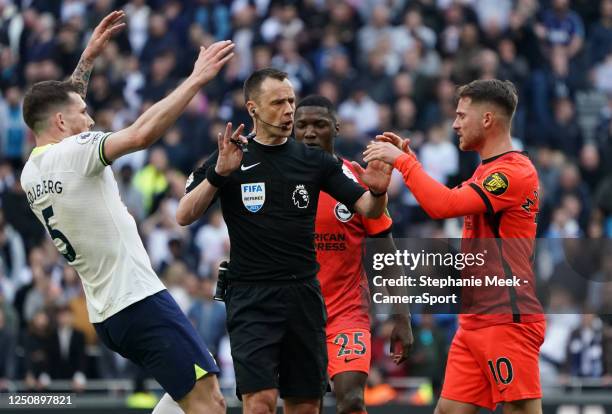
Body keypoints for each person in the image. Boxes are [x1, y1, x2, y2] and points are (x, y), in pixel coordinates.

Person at [20, 10, 235, 414]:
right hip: (137, 300)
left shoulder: (32, 171)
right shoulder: (75, 152)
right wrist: (195, 81)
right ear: (63, 121)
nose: (92, 119)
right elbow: (141, 134)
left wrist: (88, 57)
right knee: (209, 405)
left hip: (109, 312)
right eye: (84, 113)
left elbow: (60, 104)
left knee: (198, 397)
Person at [176, 68, 391, 414]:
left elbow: (367, 208)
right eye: (278, 102)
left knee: (305, 405)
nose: (289, 110)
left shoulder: (314, 161)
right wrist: (219, 174)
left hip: (303, 295)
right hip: (251, 297)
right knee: (259, 402)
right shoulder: (231, 156)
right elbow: (184, 215)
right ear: (253, 109)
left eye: (291, 101)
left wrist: (378, 190)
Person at [364, 79, 546, 414]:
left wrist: (405, 164)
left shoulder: (512, 172)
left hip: (506, 318)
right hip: (475, 319)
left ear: (487, 119)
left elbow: (443, 206)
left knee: (520, 410)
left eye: (462, 115)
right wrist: (410, 158)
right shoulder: (486, 170)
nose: (455, 123)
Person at [293, 95, 413, 414]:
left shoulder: (357, 181)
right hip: (294, 313)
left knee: (352, 401)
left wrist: (401, 317)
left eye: (319, 125)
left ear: (336, 128)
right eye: (301, 125)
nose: (309, 133)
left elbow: (387, 256)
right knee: (306, 406)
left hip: (346, 313)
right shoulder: (277, 181)